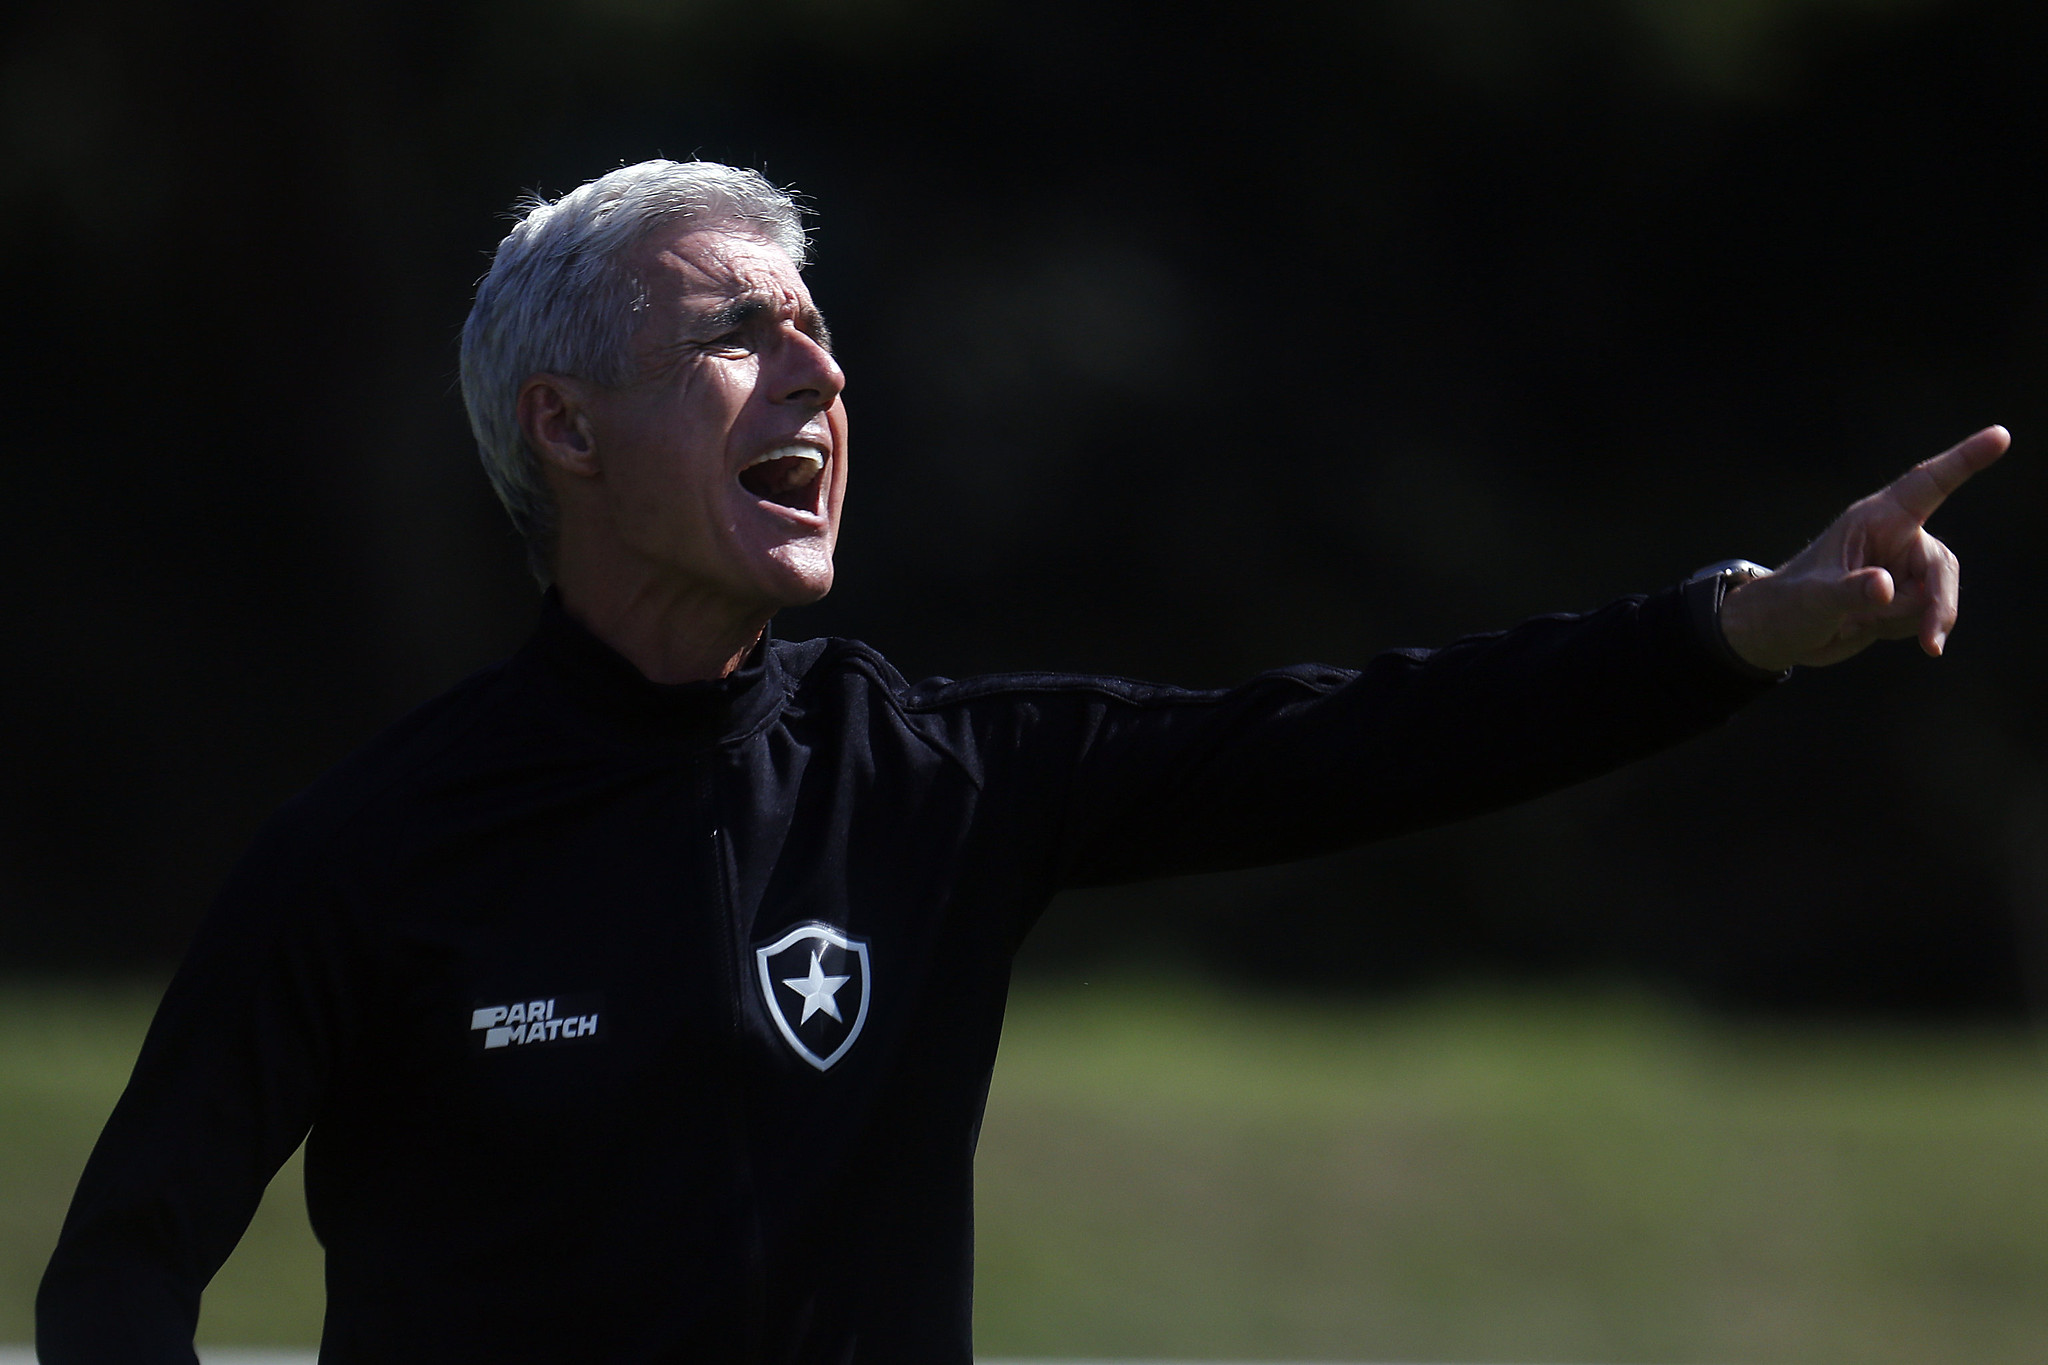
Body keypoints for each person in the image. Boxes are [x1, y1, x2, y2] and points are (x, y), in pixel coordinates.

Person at [37, 159, 2008, 1363]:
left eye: (823, 335)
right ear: (564, 425)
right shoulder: (371, 851)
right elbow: (123, 1266)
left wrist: (1732, 626)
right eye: (741, 335)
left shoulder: (932, 777)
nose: (820, 373)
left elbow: (1362, 740)